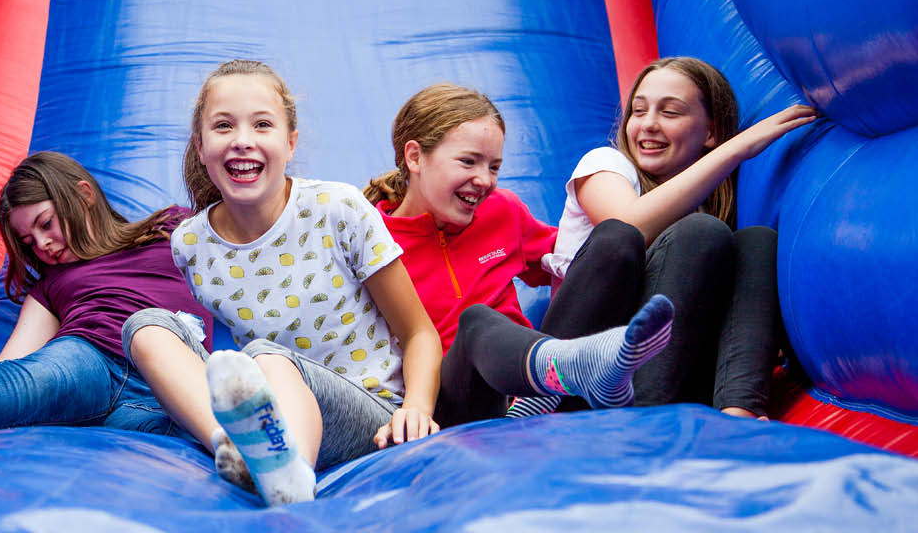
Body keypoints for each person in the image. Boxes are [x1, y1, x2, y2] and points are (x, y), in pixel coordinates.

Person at [121, 59, 443, 507]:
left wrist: (417, 410)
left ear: (290, 144)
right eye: (223, 126)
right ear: (200, 146)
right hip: (272, 414)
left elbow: (419, 332)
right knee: (146, 327)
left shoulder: (337, 210)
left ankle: (289, 482)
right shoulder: (190, 244)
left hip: (367, 414)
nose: (242, 141)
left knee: (265, 356)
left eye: (262, 125)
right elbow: (222, 362)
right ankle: (235, 448)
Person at [363, 83, 676, 427]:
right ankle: (561, 376)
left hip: (534, 390)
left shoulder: (501, 212)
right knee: (476, 321)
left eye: (494, 167)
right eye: (468, 162)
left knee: (616, 236)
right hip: (455, 406)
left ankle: (585, 383)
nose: (484, 180)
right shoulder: (373, 241)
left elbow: (575, 262)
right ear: (415, 157)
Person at [540, 56, 817, 418]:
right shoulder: (605, 166)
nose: (648, 124)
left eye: (670, 113)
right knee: (700, 233)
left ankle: (739, 414)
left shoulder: (708, 214)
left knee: (756, 242)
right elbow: (627, 227)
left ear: (710, 132)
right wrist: (737, 149)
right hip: (584, 375)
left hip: (676, 381)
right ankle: (647, 421)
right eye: (638, 111)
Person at [0, 151, 209, 449]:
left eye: (46, 223)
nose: (43, 244)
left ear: (84, 195)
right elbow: (11, 373)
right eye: (29, 242)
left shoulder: (169, 228)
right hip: (91, 361)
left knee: (172, 432)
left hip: (170, 378)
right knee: (24, 384)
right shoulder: (49, 286)